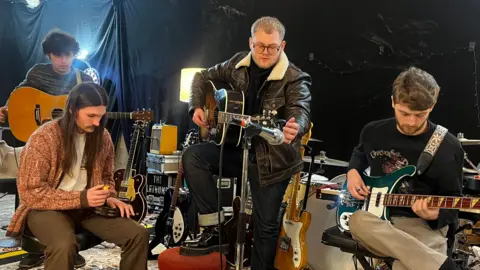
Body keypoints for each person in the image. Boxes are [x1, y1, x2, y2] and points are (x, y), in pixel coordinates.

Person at [180, 16, 311, 269]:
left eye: (272, 47)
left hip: (272, 159)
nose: (265, 52)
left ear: (282, 46)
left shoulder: (296, 78)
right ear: (251, 42)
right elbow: (200, 76)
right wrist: (197, 106)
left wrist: (297, 126)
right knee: (192, 157)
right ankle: (215, 228)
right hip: (236, 149)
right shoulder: (236, 64)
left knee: (265, 225)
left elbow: (300, 110)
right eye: (259, 45)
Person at [5, 82, 149, 270]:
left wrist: (110, 197)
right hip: (45, 209)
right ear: (72, 109)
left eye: (101, 116)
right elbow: (30, 193)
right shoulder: (43, 139)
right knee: (64, 245)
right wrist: (81, 198)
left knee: (138, 234)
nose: (97, 122)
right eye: (91, 116)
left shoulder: (103, 137)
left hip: (88, 208)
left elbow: (106, 178)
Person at [346, 67, 463, 270]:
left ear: (433, 106)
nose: (411, 122)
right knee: (357, 220)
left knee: (404, 266)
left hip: (421, 226)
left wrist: (435, 214)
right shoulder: (373, 131)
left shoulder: (448, 147)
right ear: (393, 102)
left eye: (420, 115)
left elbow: (454, 201)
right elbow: (359, 155)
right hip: (375, 221)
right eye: (404, 113)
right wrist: (352, 171)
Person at [0, 29, 93, 124]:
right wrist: (7, 108)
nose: (64, 60)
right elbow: (19, 94)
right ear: (49, 55)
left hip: (70, 135)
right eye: (57, 55)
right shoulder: (38, 73)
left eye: (68, 54)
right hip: (39, 132)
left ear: (74, 55)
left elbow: (93, 110)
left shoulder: (85, 81)